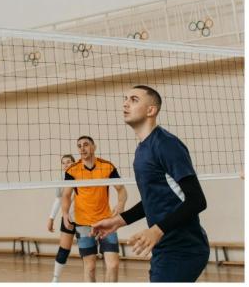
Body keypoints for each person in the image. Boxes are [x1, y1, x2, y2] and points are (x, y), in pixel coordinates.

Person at [91, 85, 209, 282]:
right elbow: (154, 200)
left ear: (151, 110)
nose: (125, 103)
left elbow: (197, 200)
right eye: (125, 98)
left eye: (134, 99)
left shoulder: (166, 144)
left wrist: (156, 230)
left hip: (184, 248)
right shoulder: (141, 150)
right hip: (164, 246)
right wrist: (119, 220)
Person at [61, 136, 126, 282]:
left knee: (113, 265)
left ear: (94, 147)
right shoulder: (73, 170)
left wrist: (121, 204)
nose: (82, 148)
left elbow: (122, 190)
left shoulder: (107, 166)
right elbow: (66, 195)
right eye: (79, 146)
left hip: (106, 222)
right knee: (89, 267)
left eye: (86, 145)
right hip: (84, 224)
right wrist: (65, 214)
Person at [48, 154, 76, 282]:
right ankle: (55, 279)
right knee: (64, 249)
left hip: (85, 219)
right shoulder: (60, 181)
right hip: (68, 218)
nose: (66, 165)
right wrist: (51, 218)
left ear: (74, 163)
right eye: (63, 163)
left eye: (69, 162)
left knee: (88, 252)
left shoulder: (82, 177)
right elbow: (58, 200)